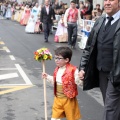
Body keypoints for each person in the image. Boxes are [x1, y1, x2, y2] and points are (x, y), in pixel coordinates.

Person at [79, 0, 120, 120]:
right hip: (102, 71)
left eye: (111, 0)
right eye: (105, 0)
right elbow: (89, 47)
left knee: (110, 108)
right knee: (111, 105)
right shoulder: (100, 21)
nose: (107, 3)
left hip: (117, 75)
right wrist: (83, 67)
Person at [42, 47, 82, 120]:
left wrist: (81, 78)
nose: (56, 60)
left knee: (72, 117)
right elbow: (56, 80)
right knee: (55, 118)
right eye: (55, 58)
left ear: (66, 60)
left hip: (69, 99)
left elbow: (79, 82)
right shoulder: (57, 68)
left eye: (59, 58)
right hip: (58, 98)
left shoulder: (73, 69)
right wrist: (47, 76)